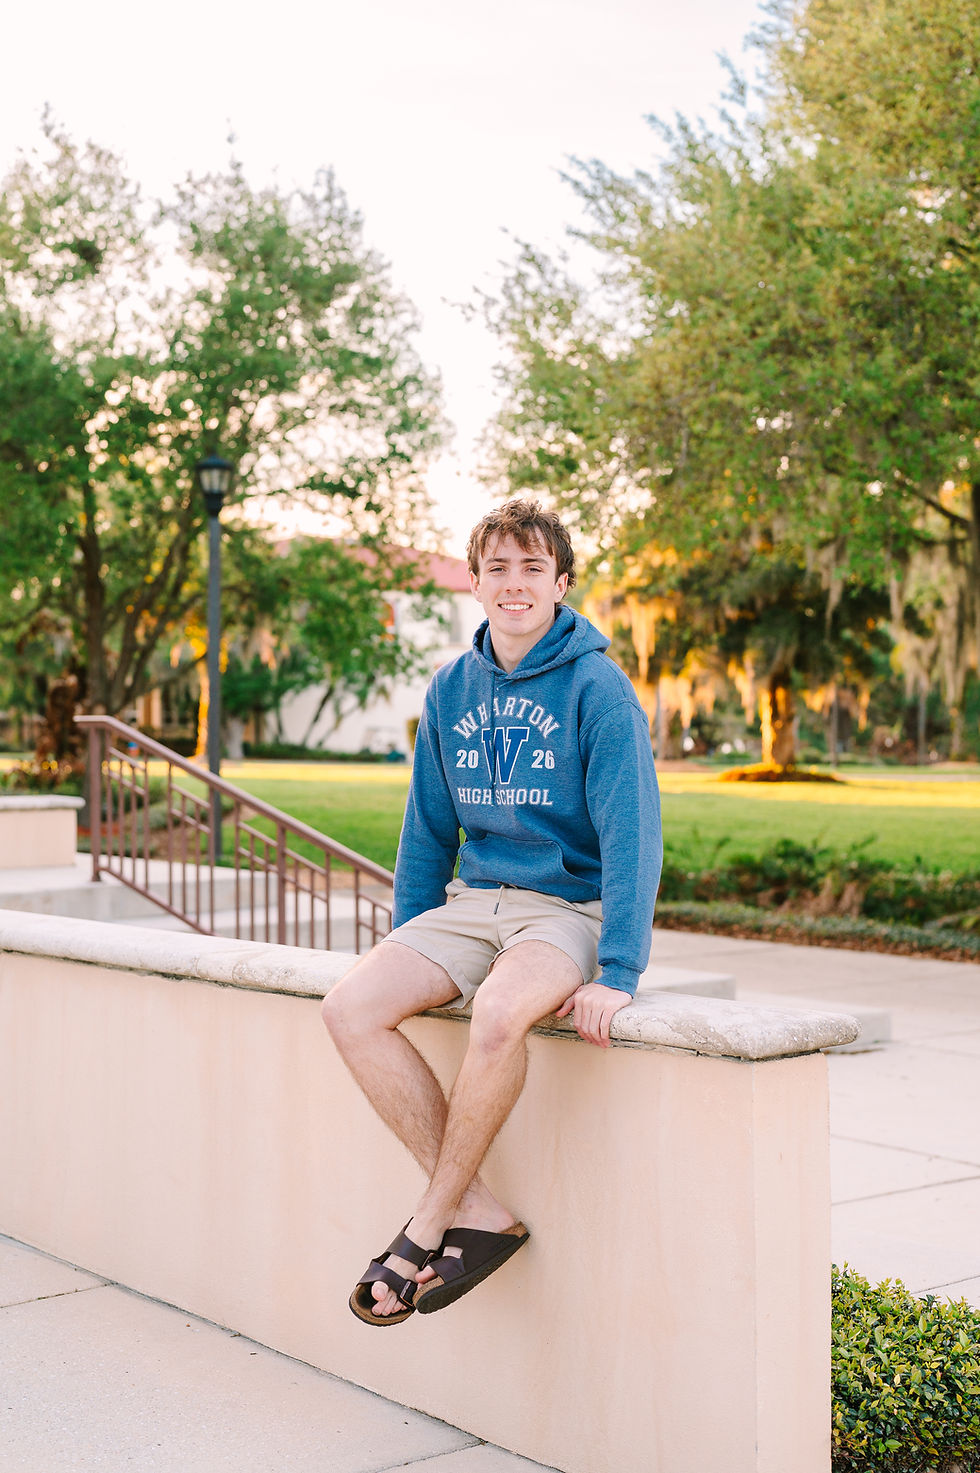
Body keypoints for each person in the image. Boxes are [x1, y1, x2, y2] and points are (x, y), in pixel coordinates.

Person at [321, 498, 662, 1325]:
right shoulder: (450, 688)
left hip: (565, 908)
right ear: (474, 582)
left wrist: (619, 968)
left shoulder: (598, 687)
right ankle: (474, 1206)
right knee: (350, 1007)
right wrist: (409, 936)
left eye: (533, 567)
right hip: (474, 903)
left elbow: (633, 832)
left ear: (562, 582)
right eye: (498, 567)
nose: (515, 584)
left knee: (502, 1014)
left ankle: (427, 1223)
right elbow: (427, 829)